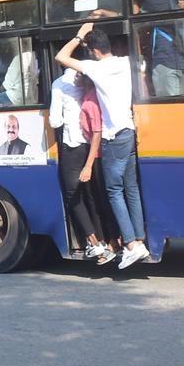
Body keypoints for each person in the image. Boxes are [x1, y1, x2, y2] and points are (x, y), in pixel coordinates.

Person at [57, 22, 149, 269]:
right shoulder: (125, 62)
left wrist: (79, 35)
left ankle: (129, 244)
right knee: (131, 189)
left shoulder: (95, 68)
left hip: (112, 137)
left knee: (113, 191)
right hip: (129, 131)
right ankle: (139, 241)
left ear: (95, 52)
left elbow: (61, 56)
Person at [50, 67, 113, 263]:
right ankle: (106, 239)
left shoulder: (60, 83)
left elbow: (54, 121)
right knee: (91, 194)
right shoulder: (93, 82)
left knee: (73, 195)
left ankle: (94, 243)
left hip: (72, 145)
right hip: (91, 146)